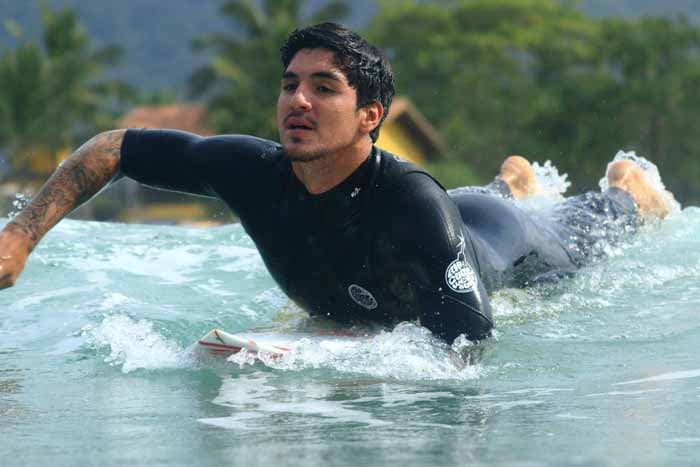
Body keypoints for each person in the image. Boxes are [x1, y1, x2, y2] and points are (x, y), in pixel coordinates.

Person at [0, 23, 675, 344]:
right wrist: (21, 234)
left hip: (502, 243)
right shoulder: (251, 169)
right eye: (291, 84)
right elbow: (114, 147)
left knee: (610, 218)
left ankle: (611, 186)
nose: (299, 101)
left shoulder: (411, 204)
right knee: (491, 197)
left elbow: (468, 341)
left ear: (370, 117)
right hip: (461, 215)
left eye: (324, 88)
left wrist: (312, 350)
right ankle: (510, 178)